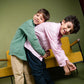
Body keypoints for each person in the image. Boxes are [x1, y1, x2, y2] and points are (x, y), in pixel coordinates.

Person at [24, 15, 80, 84]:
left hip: (39, 51)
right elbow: (55, 48)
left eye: (70, 31)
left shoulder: (58, 33)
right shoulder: (53, 28)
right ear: (63, 21)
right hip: (31, 49)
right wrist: (65, 67)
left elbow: (59, 48)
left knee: (44, 70)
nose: (67, 30)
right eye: (68, 26)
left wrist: (67, 62)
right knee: (38, 73)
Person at [9, 8, 50, 84]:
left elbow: (41, 40)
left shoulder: (36, 27)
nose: (38, 18)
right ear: (34, 15)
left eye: (41, 18)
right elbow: (33, 40)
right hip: (17, 51)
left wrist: (46, 49)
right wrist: (43, 53)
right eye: (37, 15)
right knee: (19, 75)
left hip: (25, 53)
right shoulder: (29, 24)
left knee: (29, 74)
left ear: (43, 22)